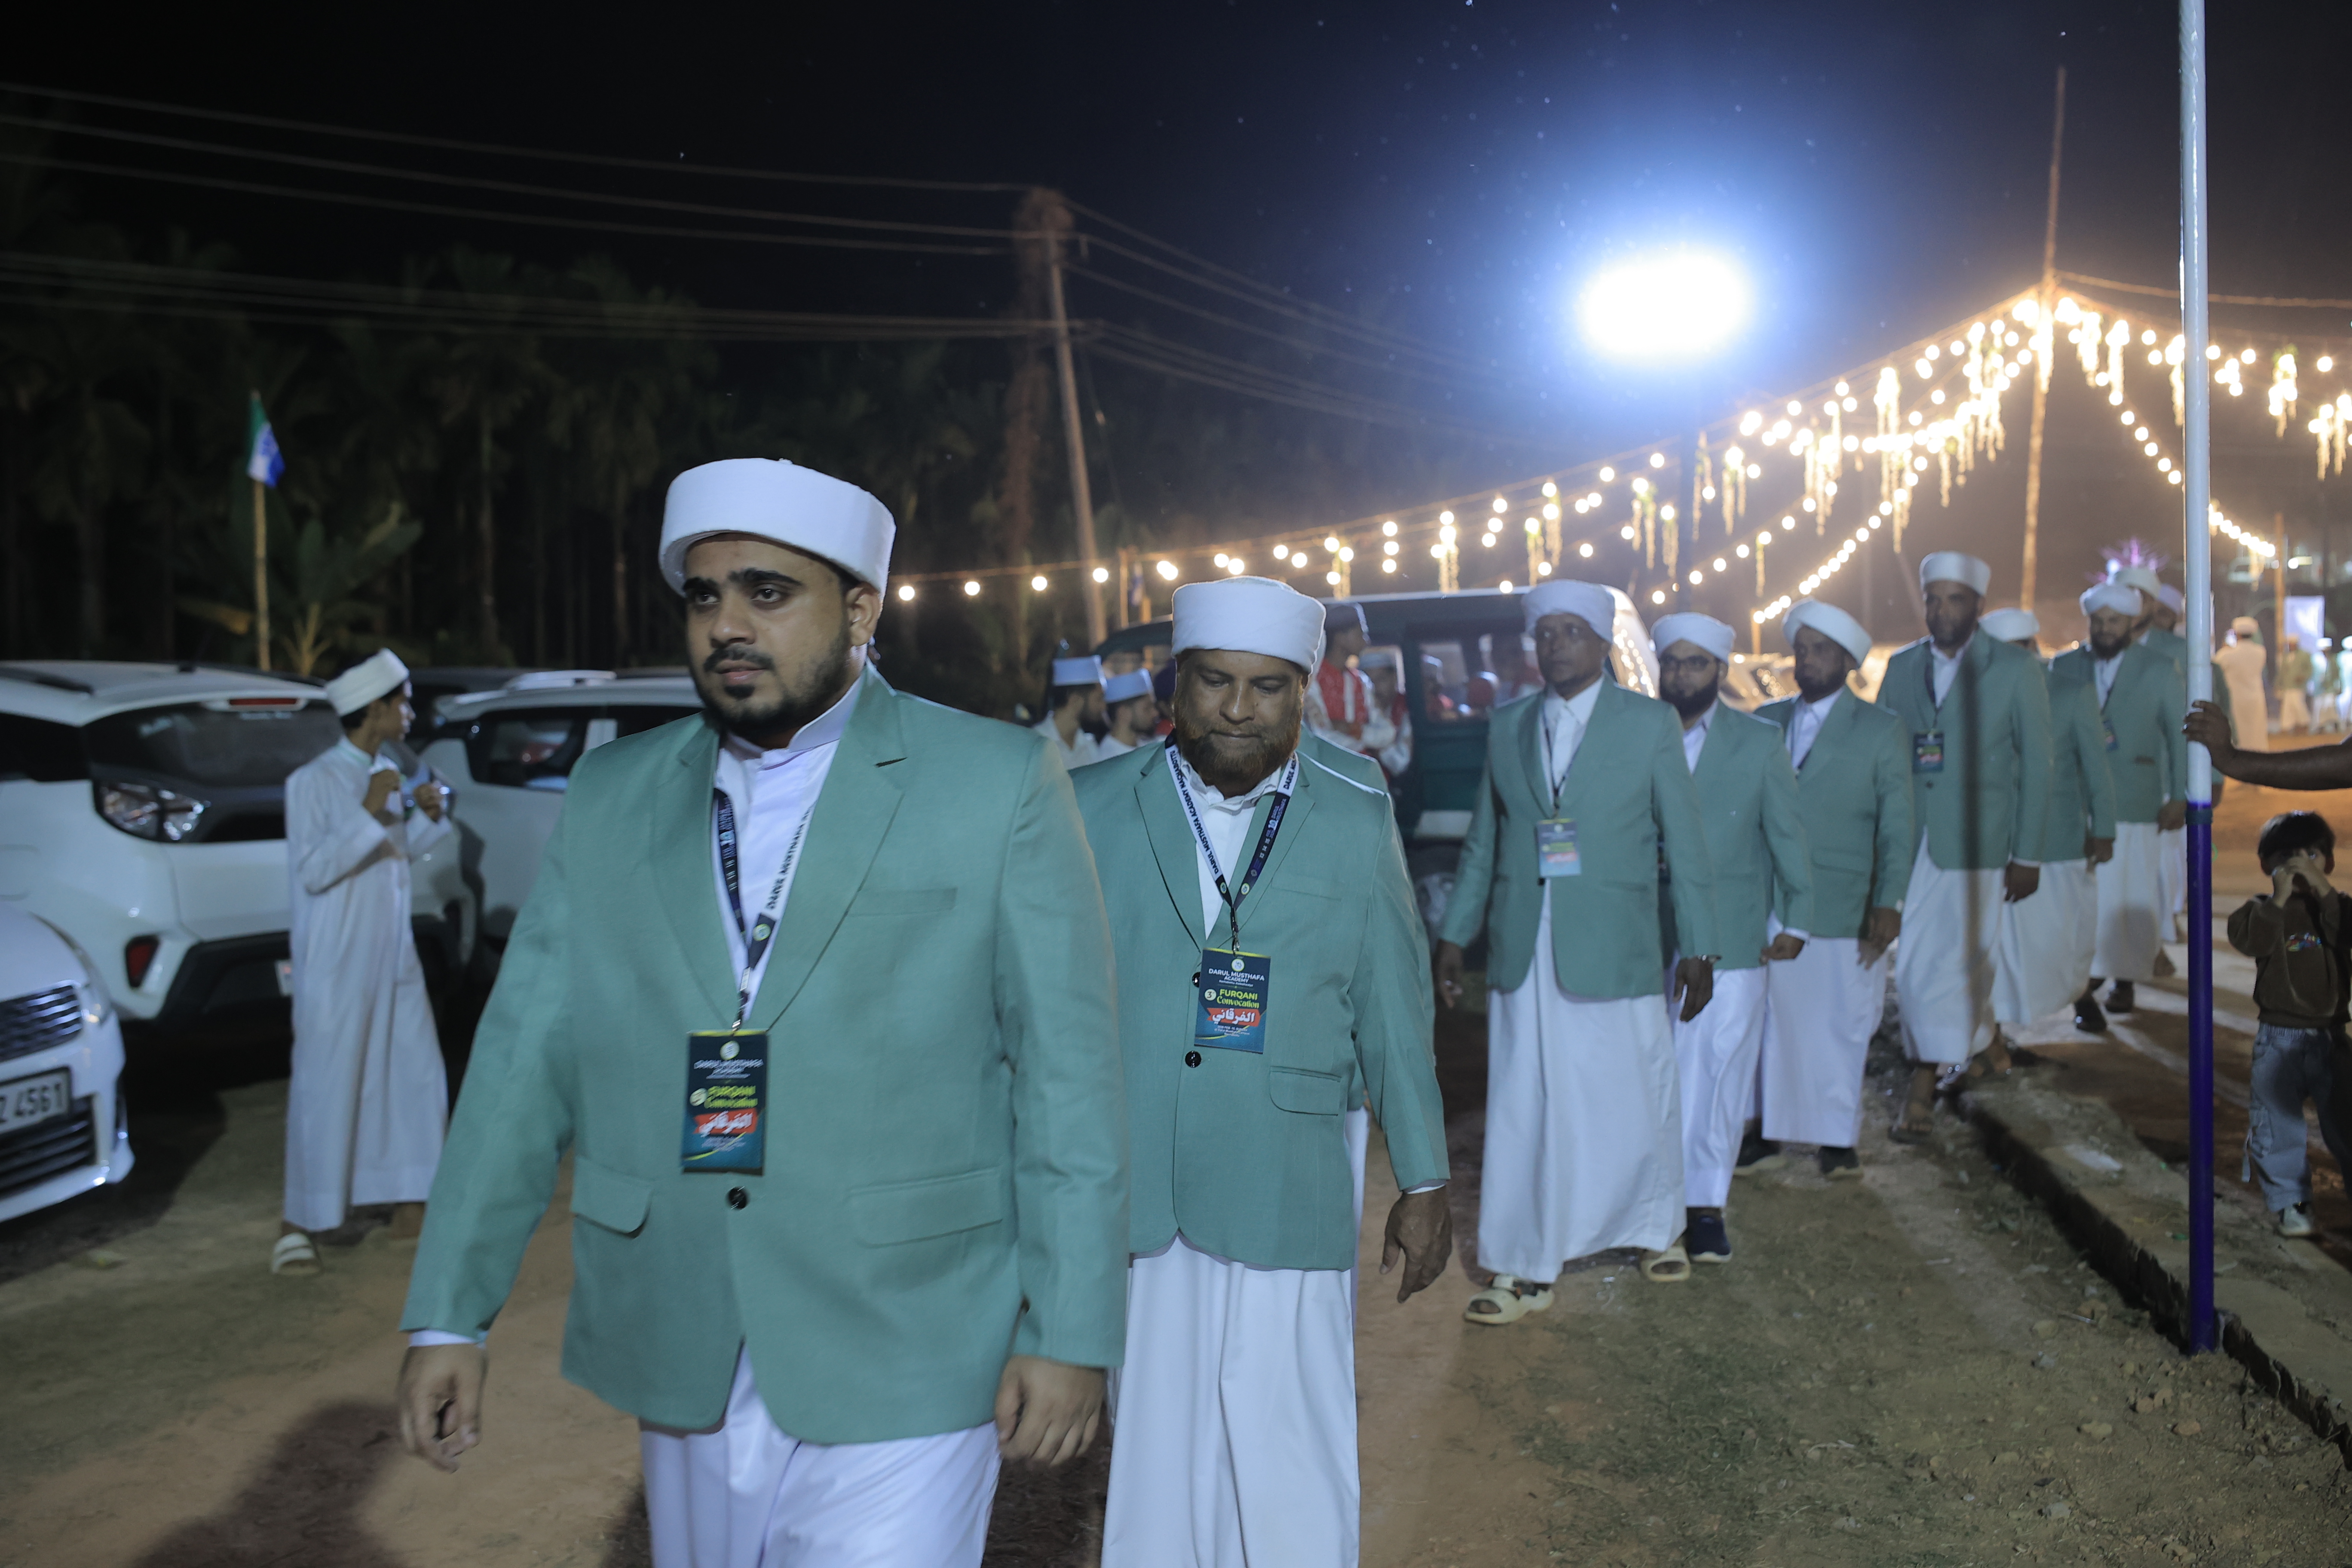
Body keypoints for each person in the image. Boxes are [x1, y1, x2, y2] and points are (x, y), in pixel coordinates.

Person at [395, 458, 1129, 1568]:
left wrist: (1071, 1330)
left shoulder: (995, 781)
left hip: (913, 1332)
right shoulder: (612, 797)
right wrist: (452, 1312)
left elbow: (1069, 1073)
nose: (727, 625)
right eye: (704, 596)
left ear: (863, 608)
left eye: (767, 592)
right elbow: (520, 1063)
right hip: (684, 1324)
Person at [1072, 575, 1449, 1568]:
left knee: (1291, 1428)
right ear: (1172, 685)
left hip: (1290, 1169)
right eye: (1213, 682)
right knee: (1155, 1441)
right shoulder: (1088, 807)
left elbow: (1390, 1005)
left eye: (1267, 687)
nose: (1238, 709)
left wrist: (1422, 1177)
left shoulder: (1353, 807)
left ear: (1305, 689)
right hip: (1142, 1178)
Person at [1435, 579, 1721, 1309]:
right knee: (1523, 1101)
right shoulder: (1506, 725)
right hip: (1522, 947)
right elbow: (1484, 840)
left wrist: (1699, 943)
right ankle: (1524, 1256)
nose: (1556, 644)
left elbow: (1685, 843)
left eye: (1571, 631)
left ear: (1601, 643)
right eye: (1545, 632)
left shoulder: (1649, 724)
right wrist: (1453, 936)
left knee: (1630, 1088)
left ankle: (1655, 1228)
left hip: (1617, 942)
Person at [275, 650, 453, 1277]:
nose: (410, 713)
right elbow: (317, 871)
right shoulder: (315, 782)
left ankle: (411, 1200)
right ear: (374, 709)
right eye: (402, 702)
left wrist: (429, 817)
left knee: (410, 1074)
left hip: (390, 952)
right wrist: (370, 811)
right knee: (330, 1083)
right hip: (336, 959)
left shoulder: (387, 772)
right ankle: (300, 1221)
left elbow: (394, 859)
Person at [1650, 612, 1813, 1265]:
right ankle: (1648, 1201)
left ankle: (1704, 1206)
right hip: (1641, 932)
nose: (1682, 674)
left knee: (1716, 1074)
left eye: (1696, 664)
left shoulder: (1757, 741)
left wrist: (1795, 915)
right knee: (1650, 1072)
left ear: (1720, 671)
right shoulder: (1635, 734)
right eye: (1673, 663)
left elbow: (1787, 833)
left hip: (1730, 934)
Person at [1876, 551, 2053, 1143]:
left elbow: (2038, 767)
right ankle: (1988, 1048)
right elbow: (1880, 758)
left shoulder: (2014, 669)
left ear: (1978, 606)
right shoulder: (1901, 668)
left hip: (1980, 845)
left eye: (1954, 600)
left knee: (1949, 964)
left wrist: (2027, 855)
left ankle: (1925, 1080)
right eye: (1933, 599)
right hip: (1910, 840)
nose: (1941, 611)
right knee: (1926, 962)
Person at [1746, 600, 1911, 1180]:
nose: (1807, 660)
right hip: (1767, 897)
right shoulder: (1764, 719)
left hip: (1842, 901)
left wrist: (1888, 901)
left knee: (1838, 1021)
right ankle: (1766, 1130)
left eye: (1821, 651)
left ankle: (1835, 1139)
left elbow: (1897, 825)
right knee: (1769, 1019)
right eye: (1801, 650)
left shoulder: (1880, 729)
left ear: (1847, 660)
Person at [2055, 583, 2186, 1023]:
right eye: (2098, 621)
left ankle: (2124, 981)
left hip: (2137, 800)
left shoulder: (2160, 668)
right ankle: (2083, 985)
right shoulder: (2065, 666)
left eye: (2114, 621)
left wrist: (2181, 795)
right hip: (2078, 803)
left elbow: (2180, 737)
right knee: (2080, 897)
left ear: (2131, 623)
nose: (2105, 629)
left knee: (2130, 893)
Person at [1981, 608, 2115, 1035]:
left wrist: (2104, 828)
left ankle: (2079, 994)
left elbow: (2096, 769)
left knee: (2057, 939)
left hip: (2056, 841)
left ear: (2033, 648)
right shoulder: (1974, 694)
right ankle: (1995, 1032)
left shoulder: (2071, 693)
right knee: (1996, 945)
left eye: (2017, 650)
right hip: (1992, 841)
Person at [2225, 811, 2352, 1238]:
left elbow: (2346, 929)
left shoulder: (2337, 909)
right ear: (2265, 864)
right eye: (2286, 857)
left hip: (2331, 1037)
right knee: (2278, 1124)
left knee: (2347, 1122)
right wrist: (2278, 899)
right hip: (2278, 1039)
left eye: (2311, 855)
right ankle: (2292, 1203)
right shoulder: (2259, 911)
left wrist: (2322, 890)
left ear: (2329, 862)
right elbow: (2251, 941)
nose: (2300, 864)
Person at [1305, 600, 1381, 761]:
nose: (1366, 641)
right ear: (1341, 638)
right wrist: (1362, 743)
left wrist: (1350, 729)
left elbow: (1386, 733)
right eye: (1361, 634)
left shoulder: (1361, 681)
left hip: (1360, 770)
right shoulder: (1312, 680)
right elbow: (1318, 737)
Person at [1034, 649, 1107, 769]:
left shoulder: (1089, 746)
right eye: (1099, 699)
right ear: (1075, 701)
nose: (1104, 707)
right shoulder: (1036, 743)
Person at [1358, 648, 1414, 779]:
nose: (1375, 688)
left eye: (1381, 680)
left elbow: (1401, 763)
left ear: (1394, 678)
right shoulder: (1357, 710)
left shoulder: (1406, 709)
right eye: (1369, 683)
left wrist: (1376, 744)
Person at [2217, 616, 2271, 751]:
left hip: (2236, 698)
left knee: (2239, 734)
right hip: (2256, 697)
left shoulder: (2227, 655)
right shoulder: (2261, 652)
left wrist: (2225, 648)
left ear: (2236, 634)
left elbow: (2215, 667)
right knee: (2256, 733)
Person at [1094, 667, 1159, 760]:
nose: (1155, 713)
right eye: (1147, 708)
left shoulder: (1153, 746)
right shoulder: (1107, 759)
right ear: (1123, 713)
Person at [2278, 636, 2315, 734]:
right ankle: (2287, 727)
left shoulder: (2305, 655)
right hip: (2287, 685)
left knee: (2298, 705)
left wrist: (2303, 677)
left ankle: (2304, 724)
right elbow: (2282, 672)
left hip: (2299, 686)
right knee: (2288, 707)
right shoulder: (2286, 656)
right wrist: (2279, 685)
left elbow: (2310, 670)